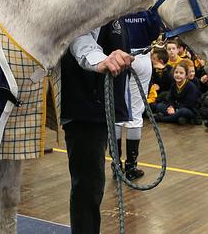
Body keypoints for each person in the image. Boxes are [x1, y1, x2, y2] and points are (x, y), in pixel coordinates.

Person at [60, 20, 134, 234]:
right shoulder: (88, 3)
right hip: (85, 109)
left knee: (92, 186)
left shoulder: (117, 10)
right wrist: (100, 60)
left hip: (100, 108)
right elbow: (78, 36)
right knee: (88, 187)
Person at [114, 12, 159, 181]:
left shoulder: (119, 5)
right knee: (136, 113)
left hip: (117, 57)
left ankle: (116, 165)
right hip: (141, 57)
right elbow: (154, 31)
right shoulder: (146, 9)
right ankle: (131, 166)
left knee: (117, 112)